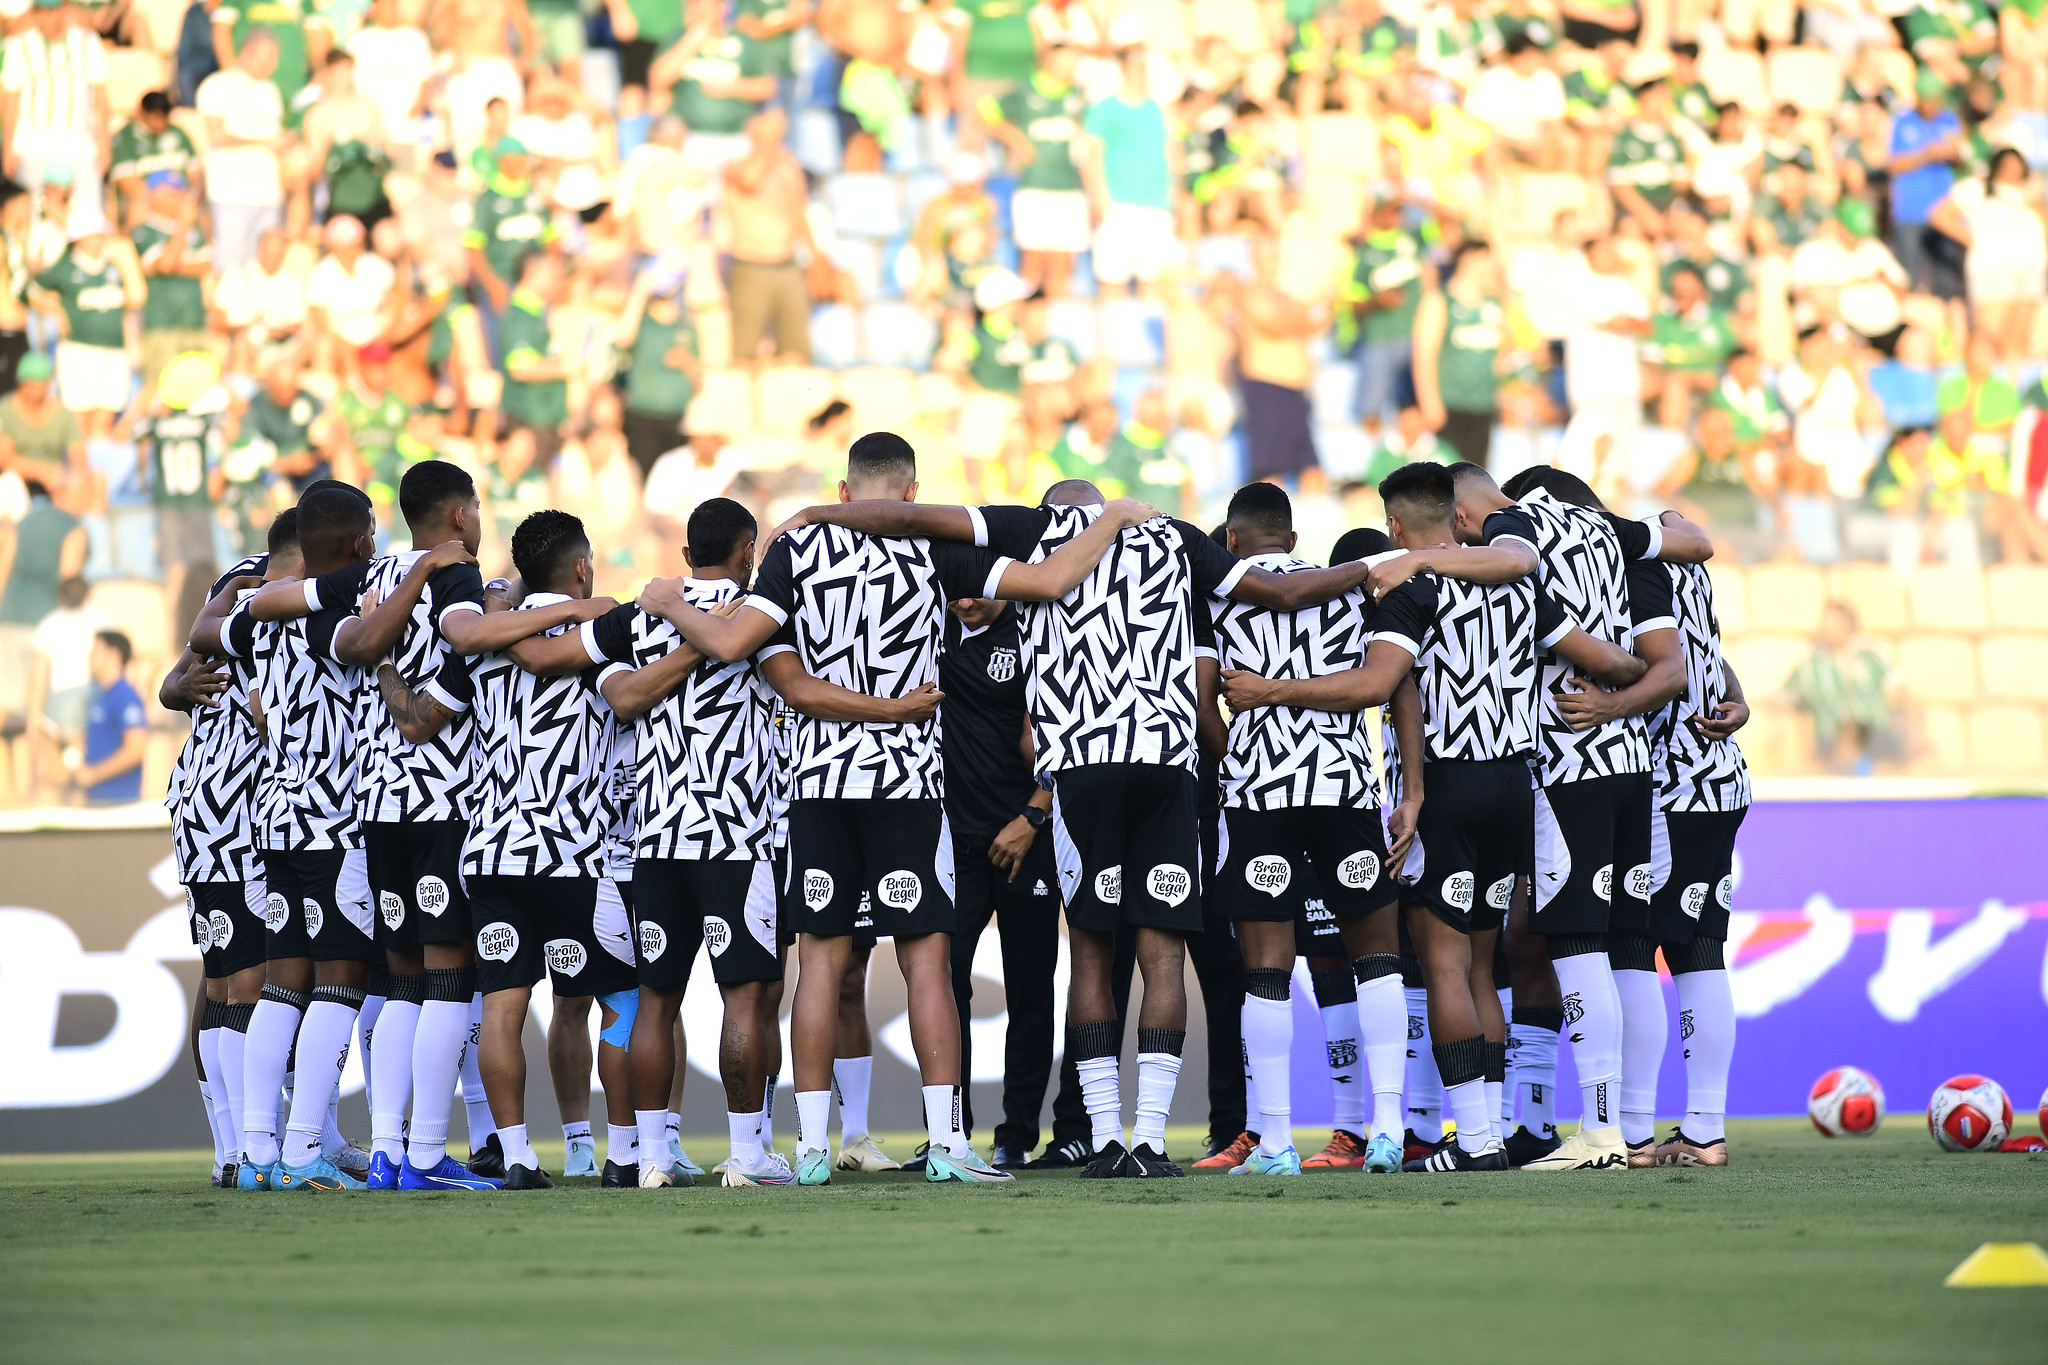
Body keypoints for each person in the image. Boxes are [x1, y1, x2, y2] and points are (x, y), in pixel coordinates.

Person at [787, 473, 1399, 1179]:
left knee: (1092, 952)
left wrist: (820, 514)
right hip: (1169, 765)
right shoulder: (1176, 535)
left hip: (1081, 764)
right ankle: (1150, 1141)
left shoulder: (1027, 530)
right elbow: (1286, 592)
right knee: (1162, 955)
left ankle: (1106, 1137)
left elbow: (911, 515)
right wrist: (1380, 564)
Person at [633, 433, 1157, 1185]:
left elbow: (726, 645)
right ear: (914, 495)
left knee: (820, 960)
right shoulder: (934, 550)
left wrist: (666, 600)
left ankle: (812, 1148)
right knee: (926, 964)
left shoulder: (796, 552)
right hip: (906, 785)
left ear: (846, 493)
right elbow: (1048, 582)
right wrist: (1110, 521)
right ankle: (948, 1144)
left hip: (817, 787)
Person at [1374, 462, 1711, 1170]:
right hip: (1609, 768)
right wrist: (1622, 690)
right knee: (1621, 949)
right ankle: (1632, 1129)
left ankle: (1575, 1136)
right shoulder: (1584, 539)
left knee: (1507, 956)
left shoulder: (1452, 568)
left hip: (1552, 773)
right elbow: (1682, 559)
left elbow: (1388, 683)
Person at [1518, 468, 1750, 1168]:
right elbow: (1709, 655)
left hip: (1668, 779)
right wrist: (1740, 701)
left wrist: (1609, 707)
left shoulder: (1630, 562)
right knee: (1694, 950)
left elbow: (1671, 669)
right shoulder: (1677, 563)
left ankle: (1646, 1129)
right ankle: (1691, 1127)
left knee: (1638, 952)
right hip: (1718, 776)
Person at [1201, 483, 1411, 1176]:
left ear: (1230, 541)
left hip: (1260, 796)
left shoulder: (1216, 593)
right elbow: (1389, 686)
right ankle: (1386, 1128)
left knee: (1264, 970)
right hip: (1345, 791)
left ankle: (1276, 1143)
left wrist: (1243, 756)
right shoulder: (1354, 591)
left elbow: (1203, 707)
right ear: (1292, 540)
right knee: (1377, 958)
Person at [198, 485, 379, 1192]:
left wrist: (235, 595)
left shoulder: (255, 618)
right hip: (335, 820)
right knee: (340, 980)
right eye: (369, 530)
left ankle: (256, 1153)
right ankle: (304, 1149)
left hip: (274, 817)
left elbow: (206, 637)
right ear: (358, 538)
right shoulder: (338, 607)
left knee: (283, 981)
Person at [460, 510, 633, 1189]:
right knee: (621, 1000)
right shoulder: (598, 634)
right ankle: (622, 1153)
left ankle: (520, 1156)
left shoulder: (484, 635)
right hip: (571, 854)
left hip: (493, 851)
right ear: (582, 568)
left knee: (502, 1005)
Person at [161, 513, 297, 1186]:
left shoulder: (236, 584)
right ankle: (252, 1150)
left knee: (220, 980)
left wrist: (178, 685)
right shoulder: (270, 596)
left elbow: (175, 676)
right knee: (250, 981)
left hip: (199, 804)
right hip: (242, 809)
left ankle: (231, 1150)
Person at [935, 586, 1063, 1169]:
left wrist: (1033, 815)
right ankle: (948, 1133)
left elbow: (1065, 732)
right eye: (956, 594)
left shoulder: (1035, 634)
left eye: (977, 594)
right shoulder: (923, 629)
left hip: (1025, 839)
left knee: (1030, 990)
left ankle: (1017, 1134)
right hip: (954, 842)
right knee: (943, 985)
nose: (965, 604)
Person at [983, 42, 1090, 298]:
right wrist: (1015, 139)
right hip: (1035, 186)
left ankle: (1057, 322)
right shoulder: (1025, 89)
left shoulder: (1078, 94)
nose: (1071, 66)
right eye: (1066, 60)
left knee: (1063, 265)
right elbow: (986, 109)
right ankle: (1026, 317)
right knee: (1034, 261)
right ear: (1050, 61)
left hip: (1068, 186)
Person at [0, 0, 111, 234]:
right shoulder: (18, 46)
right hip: (31, 143)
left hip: (79, 141)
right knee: (32, 216)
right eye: (40, 12)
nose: (45, 18)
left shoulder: (87, 43)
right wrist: (8, 147)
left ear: (64, 10)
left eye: (50, 11)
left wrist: (105, 144)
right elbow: (10, 98)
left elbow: (101, 97)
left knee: (89, 217)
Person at [30, 214, 145, 438]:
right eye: (92, 235)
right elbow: (33, 291)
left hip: (114, 350)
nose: (98, 240)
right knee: (80, 419)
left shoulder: (114, 266)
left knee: (105, 418)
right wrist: (55, 312)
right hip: (78, 350)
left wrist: (125, 255)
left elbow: (136, 297)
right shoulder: (64, 267)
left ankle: (99, 467)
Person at [1080, 43, 1177, 295]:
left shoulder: (1157, 110)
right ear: (1123, 69)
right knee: (1112, 280)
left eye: (1144, 68)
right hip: (1118, 204)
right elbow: (1092, 155)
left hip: (1155, 206)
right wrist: (1099, 198)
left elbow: (1169, 154)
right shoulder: (1105, 108)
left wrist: (1172, 193)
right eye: (1136, 67)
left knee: (1154, 281)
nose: (1141, 73)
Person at [722, 107, 814, 366]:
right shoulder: (736, 166)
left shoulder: (788, 166)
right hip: (751, 265)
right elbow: (751, 181)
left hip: (787, 265)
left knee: (795, 352)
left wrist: (815, 257)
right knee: (744, 353)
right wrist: (768, 141)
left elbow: (799, 211)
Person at [1240, 235, 1332, 489]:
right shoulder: (1251, 294)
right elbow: (1276, 326)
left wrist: (1329, 305)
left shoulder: (1286, 297)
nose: (1272, 262)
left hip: (1295, 391)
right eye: (1266, 256)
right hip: (1267, 386)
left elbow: (1308, 328)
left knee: (1311, 466)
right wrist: (1311, 304)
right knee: (1272, 470)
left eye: (1274, 256)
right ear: (1254, 260)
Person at [194, 30, 289, 274]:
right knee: (230, 267)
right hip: (231, 193)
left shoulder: (271, 90)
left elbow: (275, 138)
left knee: (263, 269)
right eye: (268, 57)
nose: (273, 64)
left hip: (268, 194)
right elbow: (216, 135)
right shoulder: (217, 86)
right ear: (247, 53)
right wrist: (264, 142)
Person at [1410, 240, 1503, 467]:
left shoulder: (1492, 306)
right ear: (1470, 260)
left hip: (1483, 405)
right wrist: (1430, 402)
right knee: (1447, 480)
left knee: (1477, 477)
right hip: (1450, 404)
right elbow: (1423, 355)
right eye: (1487, 261)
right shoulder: (1440, 300)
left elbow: (1504, 351)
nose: (1493, 268)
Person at [132, 171, 218, 388]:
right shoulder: (145, 231)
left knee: (197, 391)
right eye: (171, 193)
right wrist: (183, 227)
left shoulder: (194, 230)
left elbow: (206, 265)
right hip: (162, 327)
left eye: (180, 191)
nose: (179, 197)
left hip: (195, 325)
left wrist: (173, 263)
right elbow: (166, 265)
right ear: (154, 196)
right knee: (160, 391)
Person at [108, 90, 199, 231]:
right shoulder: (124, 138)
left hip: (180, 195)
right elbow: (127, 182)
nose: (160, 122)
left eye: (164, 117)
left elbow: (196, 172)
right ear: (143, 113)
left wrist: (191, 193)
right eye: (156, 117)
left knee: (197, 206)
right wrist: (162, 197)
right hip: (146, 200)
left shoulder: (178, 133)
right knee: (139, 205)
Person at [76, 629, 145, 803]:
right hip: (97, 800)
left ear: (114, 655)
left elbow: (136, 749)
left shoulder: (126, 696)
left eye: (95, 651)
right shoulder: (100, 698)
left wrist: (94, 774)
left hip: (119, 803)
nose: (89, 657)